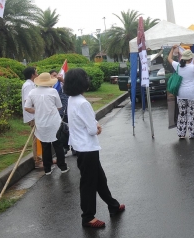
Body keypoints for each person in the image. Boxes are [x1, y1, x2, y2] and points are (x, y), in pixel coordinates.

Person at [64, 68, 125, 229]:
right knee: (89, 183)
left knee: (99, 179)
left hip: (81, 146)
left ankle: (113, 205)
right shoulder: (83, 103)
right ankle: (88, 217)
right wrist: (97, 128)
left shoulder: (72, 99)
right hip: (87, 148)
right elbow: (92, 129)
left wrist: (94, 126)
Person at [24, 72, 69, 176]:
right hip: (54, 122)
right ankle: (63, 167)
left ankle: (47, 169)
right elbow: (59, 106)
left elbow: (27, 107)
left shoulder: (32, 92)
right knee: (58, 145)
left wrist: (37, 111)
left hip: (41, 122)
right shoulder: (53, 91)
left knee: (45, 146)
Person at [168, 45, 194, 139]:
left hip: (181, 94)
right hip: (191, 94)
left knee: (182, 113)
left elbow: (169, 58)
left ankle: (181, 134)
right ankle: (193, 133)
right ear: (190, 58)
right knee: (192, 114)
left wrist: (172, 49)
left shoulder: (177, 66)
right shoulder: (193, 67)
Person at [22, 67, 40, 167]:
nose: (37, 74)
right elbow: (27, 102)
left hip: (35, 115)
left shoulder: (31, 84)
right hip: (32, 116)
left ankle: (40, 158)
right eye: (36, 72)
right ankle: (37, 161)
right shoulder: (28, 86)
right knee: (35, 138)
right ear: (32, 74)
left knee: (38, 138)